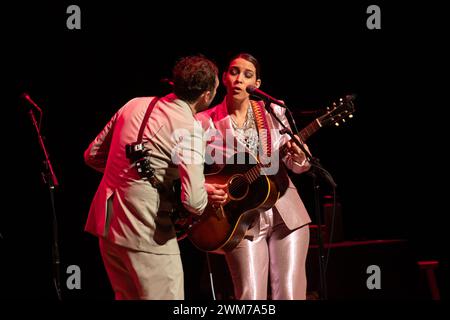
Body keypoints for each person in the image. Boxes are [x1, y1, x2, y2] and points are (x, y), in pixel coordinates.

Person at [84, 55, 219, 299]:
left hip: (109, 224)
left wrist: (128, 177)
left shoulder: (134, 104)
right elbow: (194, 202)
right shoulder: (189, 128)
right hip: (147, 231)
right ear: (206, 95)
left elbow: (92, 155)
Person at [196, 53, 311, 300]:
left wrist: (299, 154)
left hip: (285, 213)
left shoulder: (272, 111)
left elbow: (299, 167)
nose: (239, 79)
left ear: (257, 84)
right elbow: (186, 168)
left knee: (291, 295)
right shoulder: (206, 121)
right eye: (234, 72)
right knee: (250, 298)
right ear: (224, 78)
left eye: (248, 75)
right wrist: (205, 187)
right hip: (239, 219)